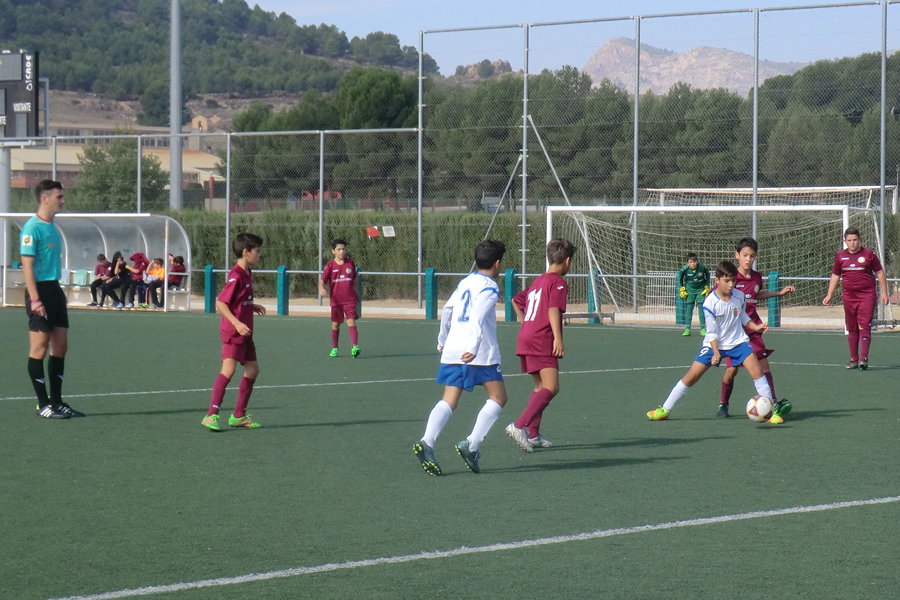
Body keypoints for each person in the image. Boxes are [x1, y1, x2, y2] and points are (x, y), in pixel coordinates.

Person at [647, 261, 785, 424]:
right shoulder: (709, 303)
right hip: (714, 345)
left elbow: (743, 317)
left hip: (738, 343)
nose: (731, 284)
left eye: (733, 281)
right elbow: (712, 333)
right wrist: (717, 353)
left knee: (757, 373)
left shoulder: (739, 296)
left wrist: (757, 326)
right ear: (717, 281)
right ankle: (665, 409)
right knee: (691, 377)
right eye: (727, 281)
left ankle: (771, 412)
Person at [413, 240, 508, 475]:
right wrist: (474, 346)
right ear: (497, 264)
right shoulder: (490, 287)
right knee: (498, 397)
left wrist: (442, 340)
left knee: (449, 399)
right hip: (479, 353)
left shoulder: (465, 282)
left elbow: (447, 310)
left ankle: (427, 441)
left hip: (453, 349)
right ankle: (472, 445)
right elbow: (477, 317)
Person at [21, 179, 85, 419]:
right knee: (39, 347)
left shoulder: (52, 226)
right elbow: (27, 266)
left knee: (60, 346)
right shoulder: (32, 228)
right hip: (40, 291)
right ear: (44, 198)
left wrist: (59, 294)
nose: (63, 200)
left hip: (54, 289)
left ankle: (57, 402)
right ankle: (43, 404)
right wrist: (35, 299)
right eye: (59, 197)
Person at [505, 238, 576, 452]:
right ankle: (519, 426)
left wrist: (523, 320)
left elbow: (515, 301)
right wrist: (558, 338)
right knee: (551, 387)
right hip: (541, 338)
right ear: (567, 261)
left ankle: (533, 434)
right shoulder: (558, 282)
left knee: (540, 387)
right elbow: (553, 309)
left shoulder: (538, 282)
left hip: (526, 336)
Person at [718, 237, 795, 419]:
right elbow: (718, 297)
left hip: (753, 330)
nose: (748, 260)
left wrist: (778, 292)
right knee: (731, 371)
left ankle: (773, 403)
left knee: (764, 366)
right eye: (745, 255)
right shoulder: (730, 279)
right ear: (737, 256)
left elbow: (755, 294)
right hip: (733, 333)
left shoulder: (757, 277)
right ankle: (723, 403)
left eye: (752, 256)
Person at [201, 233, 267, 431]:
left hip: (246, 332)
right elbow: (221, 302)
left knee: (253, 369)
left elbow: (238, 300)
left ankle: (238, 416)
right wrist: (237, 323)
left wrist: (250, 305)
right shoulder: (236, 275)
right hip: (234, 331)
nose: (259, 254)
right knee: (228, 370)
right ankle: (211, 415)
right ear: (246, 252)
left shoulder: (247, 273)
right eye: (257, 251)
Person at [823, 227, 890, 370]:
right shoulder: (841, 256)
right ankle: (853, 359)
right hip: (848, 297)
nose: (852, 243)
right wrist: (829, 294)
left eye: (855, 240)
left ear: (860, 240)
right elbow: (835, 275)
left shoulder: (869, 254)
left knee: (864, 325)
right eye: (849, 240)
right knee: (851, 327)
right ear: (845, 241)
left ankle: (863, 358)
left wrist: (884, 292)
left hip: (867, 296)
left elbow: (879, 272)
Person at [319, 238, 360, 358]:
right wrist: (321, 288)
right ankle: (335, 348)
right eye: (339, 249)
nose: (342, 252)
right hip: (336, 300)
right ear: (333, 251)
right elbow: (322, 280)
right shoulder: (330, 265)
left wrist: (356, 291)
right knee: (336, 324)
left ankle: (354, 347)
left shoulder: (350, 263)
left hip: (350, 299)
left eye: (343, 249)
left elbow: (355, 278)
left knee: (351, 321)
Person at [677, 252, 711, 336]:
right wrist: (681, 288)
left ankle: (702, 328)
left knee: (701, 308)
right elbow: (678, 276)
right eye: (690, 262)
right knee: (689, 309)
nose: (692, 264)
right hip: (690, 290)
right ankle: (687, 328)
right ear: (687, 263)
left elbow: (708, 274)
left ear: (697, 261)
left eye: (694, 261)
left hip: (700, 290)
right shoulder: (685, 269)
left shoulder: (702, 267)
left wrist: (707, 286)